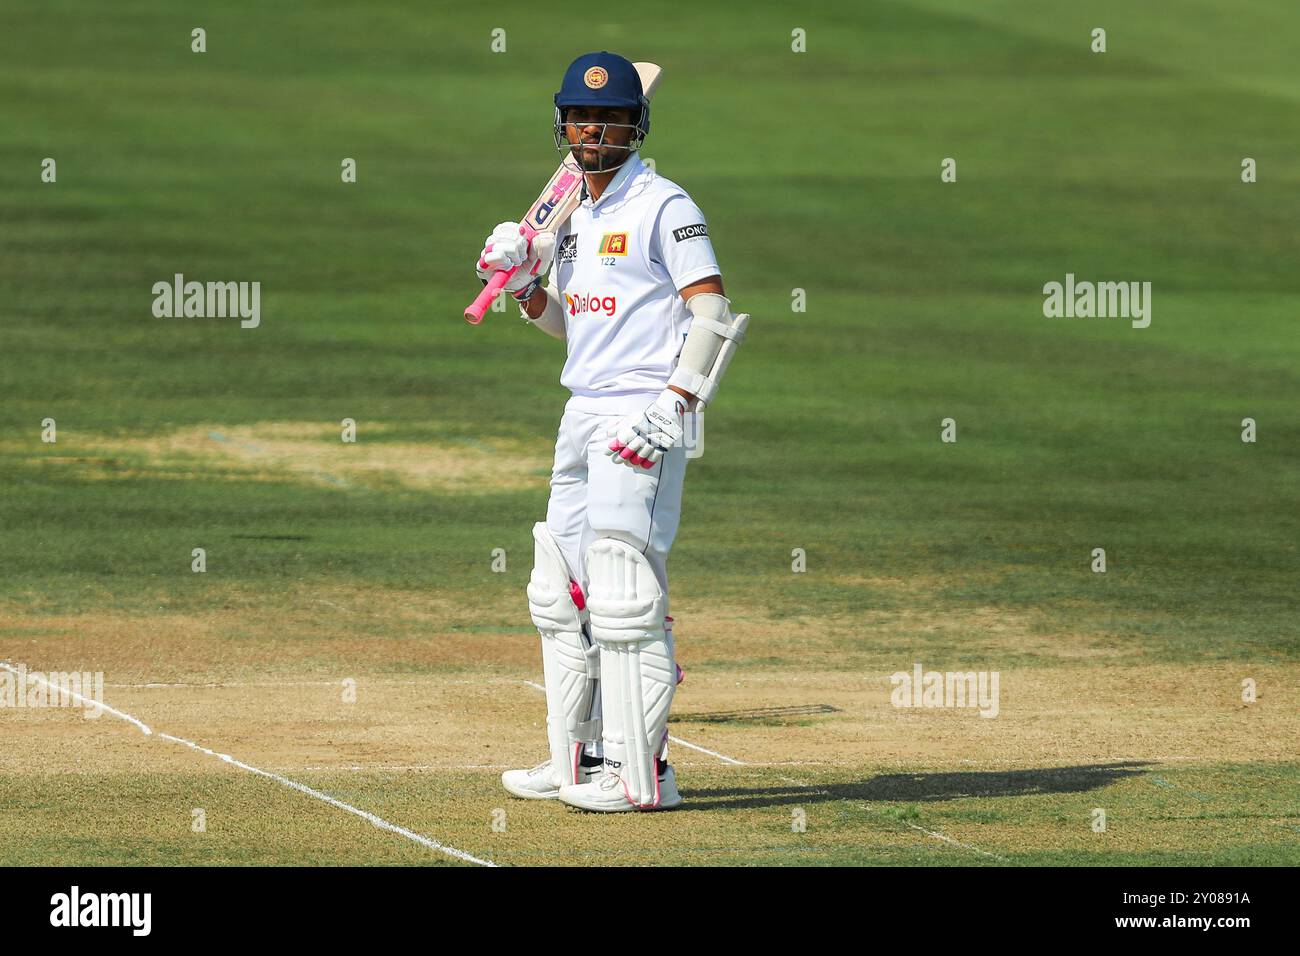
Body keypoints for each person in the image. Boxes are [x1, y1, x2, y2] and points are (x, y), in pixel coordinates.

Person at [474, 51, 748, 811]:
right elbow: (572, 328)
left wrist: (673, 409)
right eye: (583, 117)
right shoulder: (572, 218)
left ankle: (645, 773)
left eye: (613, 117)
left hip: (643, 413)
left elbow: (711, 314)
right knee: (563, 589)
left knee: (626, 591)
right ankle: (578, 759)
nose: (596, 127)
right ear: (563, 124)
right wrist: (526, 284)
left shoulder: (664, 204)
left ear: (636, 123)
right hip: (582, 407)